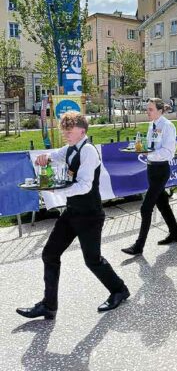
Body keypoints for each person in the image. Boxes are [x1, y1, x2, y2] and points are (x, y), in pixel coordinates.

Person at [17, 112, 129, 319]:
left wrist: (56, 191)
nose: (66, 134)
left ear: (82, 131)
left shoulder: (88, 151)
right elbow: (55, 155)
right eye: (64, 130)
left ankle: (119, 290)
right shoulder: (70, 149)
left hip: (90, 215)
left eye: (70, 131)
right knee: (50, 254)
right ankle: (49, 305)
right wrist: (45, 157)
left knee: (92, 260)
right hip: (72, 212)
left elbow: (85, 186)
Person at [122, 98, 177, 255]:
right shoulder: (151, 125)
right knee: (162, 204)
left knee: (145, 207)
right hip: (151, 169)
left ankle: (139, 246)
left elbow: (169, 152)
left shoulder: (168, 126)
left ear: (160, 110)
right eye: (147, 109)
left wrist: (150, 153)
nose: (147, 112)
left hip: (161, 170)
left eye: (150, 109)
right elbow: (150, 145)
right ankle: (175, 233)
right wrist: (143, 150)